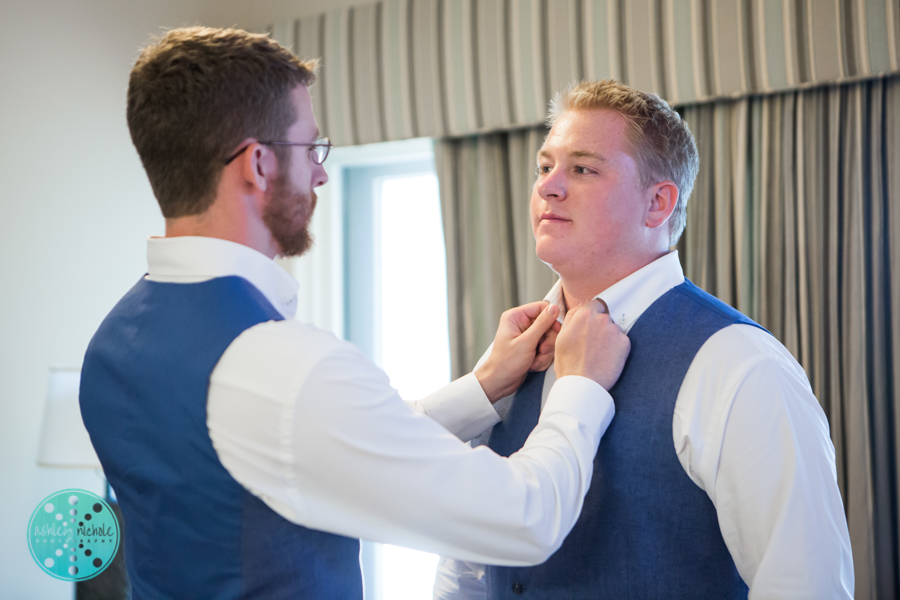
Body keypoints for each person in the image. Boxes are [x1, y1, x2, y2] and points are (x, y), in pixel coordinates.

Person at [77, 27, 631, 600]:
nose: (320, 172)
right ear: (259, 165)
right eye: (310, 148)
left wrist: (482, 387)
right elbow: (525, 520)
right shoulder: (280, 365)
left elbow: (314, 443)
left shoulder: (114, 341)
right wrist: (580, 385)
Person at [433, 80, 854, 599]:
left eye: (582, 169)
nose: (547, 187)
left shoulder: (740, 364)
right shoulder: (509, 358)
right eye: (545, 167)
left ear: (658, 204)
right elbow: (469, 566)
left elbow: (804, 585)